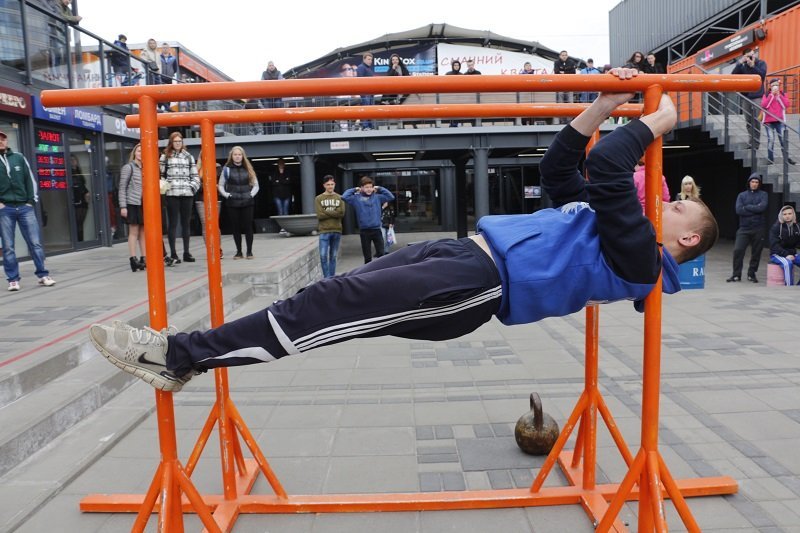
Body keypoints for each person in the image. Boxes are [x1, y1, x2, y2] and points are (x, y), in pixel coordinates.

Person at [88, 70, 720, 393]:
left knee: (327, 306)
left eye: (680, 209)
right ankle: (186, 354)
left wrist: (658, 121)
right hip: (464, 252)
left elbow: (612, 166)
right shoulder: (614, 228)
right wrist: (603, 108)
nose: (666, 203)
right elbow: (563, 168)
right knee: (324, 299)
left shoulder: (639, 257)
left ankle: (180, 356)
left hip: (478, 284)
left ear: (685, 241)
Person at [0, 130, 56, 291]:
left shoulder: (19, 157)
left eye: (3, 138)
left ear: (7, 141)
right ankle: (13, 279)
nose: (1, 141)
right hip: (5, 209)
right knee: (8, 246)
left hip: (25, 207)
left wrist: (31, 201)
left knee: (35, 243)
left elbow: (30, 180)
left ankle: (43, 275)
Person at [160, 132, 200, 264]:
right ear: (171, 142)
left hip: (187, 194)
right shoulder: (165, 157)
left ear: (182, 142)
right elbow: (160, 175)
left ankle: (186, 252)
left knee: (186, 224)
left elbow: (195, 175)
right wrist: (165, 187)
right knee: (173, 224)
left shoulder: (188, 156)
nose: (178, 143)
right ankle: (173, 253)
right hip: (172, 194)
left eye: (180, 141)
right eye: (175, 141)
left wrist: (191, 187)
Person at [217, 146, 259, 259]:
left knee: (248, 227)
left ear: (242, 156)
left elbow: (256, 185)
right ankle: (239, 252)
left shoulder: (249, 168)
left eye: (239, 154)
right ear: (232, 156)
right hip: (232, 202)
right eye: (235, 154)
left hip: (247, 202)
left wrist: (250, 195)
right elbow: (220, 185)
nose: (237, 156)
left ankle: (249, 252)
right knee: (236, 228)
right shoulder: (226, 169)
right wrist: (227, 195)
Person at [342, 176, 395, 263]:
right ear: (362, 188)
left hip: (377, 230)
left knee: (381, 254)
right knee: (367, 257)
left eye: (370, 187)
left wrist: (380, 188)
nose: (369, 189)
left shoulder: (378, 197)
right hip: (364, 231)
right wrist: (355, 189)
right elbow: (344, 197)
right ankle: (368, 274)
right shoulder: (356, 198)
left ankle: (380, 273)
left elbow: (391, 197)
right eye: (366, 187)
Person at [727, 173, 768, 283]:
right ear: (749, 182)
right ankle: (736, 274)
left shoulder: (763, 194)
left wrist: (748, 207)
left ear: (759, 184)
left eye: (756, 182)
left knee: (756, 252)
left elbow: (762, 208)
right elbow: (739, 210)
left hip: (758, 228)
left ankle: (751, 273)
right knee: (738, 250)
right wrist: (755, 209)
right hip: (744, 228)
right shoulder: (742, 195)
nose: (754, 184)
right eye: (752, 181)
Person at [731, 48, 767, 150]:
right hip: (745, 96)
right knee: (748, 120)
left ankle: (756, 143)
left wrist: (753, 66)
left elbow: (762, 76)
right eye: (749, 56)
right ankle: (751, 141)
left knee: (756, 120)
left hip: (757, 96)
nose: (751, 57)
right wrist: (739, 63)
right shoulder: (743, 66)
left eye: (752, 55)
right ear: (744, 57)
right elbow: (733, 75)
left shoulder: (761, 63)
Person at [118, 144, 146, 272]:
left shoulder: (146, 168)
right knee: (133, 232)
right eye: (139, 151)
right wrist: (123, 206)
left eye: (143, 151)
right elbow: (122, 188)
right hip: (132, 203)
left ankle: (144, 258)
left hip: (144, 204)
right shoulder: (128, 167)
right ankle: (133, 259)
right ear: (135, 152)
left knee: (143, 232)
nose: (141, 153)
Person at [315, 175, 345, 278]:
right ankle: (326, 278)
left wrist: (326, 211)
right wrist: (334, 212)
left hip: (337, 230)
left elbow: (341, 213)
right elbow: (320, 215)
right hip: (324, 230)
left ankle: (331, 278)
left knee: (333, 256)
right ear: (324, 185)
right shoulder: (318, 198)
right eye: (328, 184)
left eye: (332, 184)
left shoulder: (340, 197)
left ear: (334, 184)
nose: (330, 186)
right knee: (323, 256)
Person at [761, 78, 796, 165]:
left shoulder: (783, 94)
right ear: (770, 86)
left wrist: (779, 96)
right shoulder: (766, 95)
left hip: (780, 121)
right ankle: (770, 159)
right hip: (768, 121)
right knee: (771, 139)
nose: (775, 87)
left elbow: (787, 105)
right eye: (773, 85)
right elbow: (764, 106)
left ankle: (786, 158)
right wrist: (771, 96)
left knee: (783, 140)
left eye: (776, 85)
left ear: (779, 86)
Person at [769, 205, 800, 286]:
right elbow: (774, 245)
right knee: (787, 264)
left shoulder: (797, 227)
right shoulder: (776, 227)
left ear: (793, 215)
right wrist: (786, 255)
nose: (787, 216)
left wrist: (792, 254)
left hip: (792, 253)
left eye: (789, 213)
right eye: (785, 214)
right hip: (777, 254)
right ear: (781, 215)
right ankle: (789, 288)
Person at [261, 61, 284, 134]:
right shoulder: (264, 73)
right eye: (270, 65)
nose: (271, 66)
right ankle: (270, 132)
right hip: (267, 97)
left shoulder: (279, 72)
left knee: (278, 113)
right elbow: (262, 83)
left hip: (277, 96)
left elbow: (281, 82)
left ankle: (276, 131)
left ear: (274, 66)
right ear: (267, 66)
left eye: (272, 65)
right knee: (268, 114)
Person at [70, 155, 89, 241]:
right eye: (71, 160)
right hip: (77, 199)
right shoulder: (70, 172)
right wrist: (85, 192)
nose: (73, 161)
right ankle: (78, 241)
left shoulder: (78, 171)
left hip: (83, 200)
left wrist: (86, 192)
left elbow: (82, 185)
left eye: (74, 160)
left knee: (81, 222)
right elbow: (76, 186)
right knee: (77, 222)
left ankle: (81, 240)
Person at [269, 159, 293, 229]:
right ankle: (281, 227)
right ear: (278, 164)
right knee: (280, 211)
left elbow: (289, 181)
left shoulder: (288, 171)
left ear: (284, 164)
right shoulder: (274, 172)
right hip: (277, 195)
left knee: (285, 211)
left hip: (287, 195)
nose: (281, 164)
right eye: (280, 163)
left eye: (282, 163)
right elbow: (273, 182)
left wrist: (279, 181)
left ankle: (286, 227)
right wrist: (284, 180)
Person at [356, 52, 375, 130]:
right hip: (365, 92)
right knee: (366, 108)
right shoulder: (361, 67)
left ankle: (370, 126)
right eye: (369, 59)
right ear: (364, 59)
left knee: (370, 109)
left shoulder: (368, 69)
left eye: (371, 59)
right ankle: (365, 126)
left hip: (370, 92)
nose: (370, 61)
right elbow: (360, 81)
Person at [159, 43, 177, 111]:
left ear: (169, 49)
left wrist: (171, 73)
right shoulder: (159, 57)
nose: (165, 49)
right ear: (162, 49)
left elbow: (175, 68)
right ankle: (160, 107)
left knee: (168, 93)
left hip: (169, 78)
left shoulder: (173, 58)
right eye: (164, 48)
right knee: (161, 92)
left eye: (166, 47)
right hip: (161, 77)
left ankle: (168, 108)